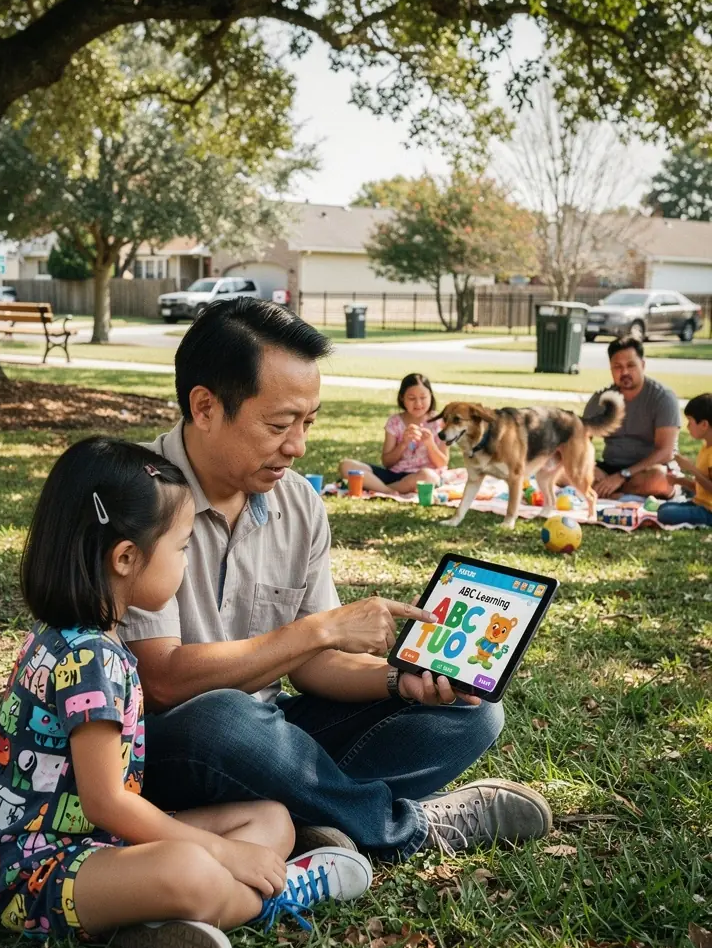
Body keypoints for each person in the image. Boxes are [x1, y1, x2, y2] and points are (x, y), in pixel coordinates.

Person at [121, 299, 552, 863]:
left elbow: (311, 666)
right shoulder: (134, 495)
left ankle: (296, 818)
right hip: (163, 747)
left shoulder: (296, 502)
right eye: (278, 425)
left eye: (308, 423)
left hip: (272, 739)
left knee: (472, 712)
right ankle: (405, 827)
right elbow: (163, 683)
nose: (297, 446)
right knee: (225, 715)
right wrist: (322, 630)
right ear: (205, 407)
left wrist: (400, 682)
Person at [0, 437, 372, 948]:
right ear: (126, 557)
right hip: (37, 871)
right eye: (182, 547)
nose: (186, 560)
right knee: (193, 871)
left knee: (273, 819)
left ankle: (142, 920)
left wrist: (221, 846)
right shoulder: (91, 657)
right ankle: (276, 896)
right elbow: (106, 803)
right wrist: (220, 851)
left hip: (98, 847)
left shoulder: (80, 638)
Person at [587, 336, 681, 500]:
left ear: (642, 365)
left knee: (661, 479)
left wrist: (623, 475)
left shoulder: (663, 397)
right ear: (610, 369)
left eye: (631, 365)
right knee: (560, 468)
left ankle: (610, 493)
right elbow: (580, 440)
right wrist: (590, 467)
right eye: (617, 367)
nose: (624, 372)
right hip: (609, 469)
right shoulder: (601, 398)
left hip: (648, 469)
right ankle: (619, 493)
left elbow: (665, 451)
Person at [338, 373, 449, 494]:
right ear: (402, 398)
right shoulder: (395, 422)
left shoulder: (439, 422)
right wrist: (403, 443)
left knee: (428, 477)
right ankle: (388, 490)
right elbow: (388, 463)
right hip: (394, 474)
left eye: (423, 398)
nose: (418, 403)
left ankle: (378, 488)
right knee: (346, 465)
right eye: (412, 398)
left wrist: (430, 444)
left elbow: (442, 463)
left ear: (431, 396)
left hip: (422, 475)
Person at [657, 393, 712, 528]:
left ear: (704, 424)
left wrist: (690, 468)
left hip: (709, 511)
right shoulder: (705, 448)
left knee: (666, 514)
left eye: (690, 421)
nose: (687, 427)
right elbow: (701, 488)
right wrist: (678, 481)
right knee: (664, 508)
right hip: (699, 503)